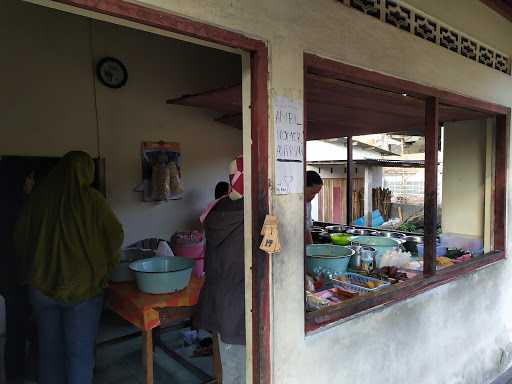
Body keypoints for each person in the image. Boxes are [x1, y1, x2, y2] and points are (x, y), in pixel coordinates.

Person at [14, 151, 124, 384]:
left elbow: (20, 237)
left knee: (49, 352)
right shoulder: (92, 200)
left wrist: (32, 269)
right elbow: (115, 235)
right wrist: (104, 264)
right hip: (82, 290)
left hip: (41, 287)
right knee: (79, 356)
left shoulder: (38, 198)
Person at [195, 157, 245, 384]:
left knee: (231, 369)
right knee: (245, 371)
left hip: (221, 301)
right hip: (244, 304)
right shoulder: (253, 212)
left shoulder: (216, 208)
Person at [0, 163, 36, 383]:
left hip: (7, 277)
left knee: (17, 328)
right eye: (30, 178)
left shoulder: (6, 203)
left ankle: (16, 372)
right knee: (19, 328)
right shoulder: (21, 208)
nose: (33, 183)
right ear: (22, 181)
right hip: (18, 277)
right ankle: (18, 374)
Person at [305, 170, 323, 245]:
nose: (313, 197)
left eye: (316, 194)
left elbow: (307, 229)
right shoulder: (294, 204)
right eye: (312, 193)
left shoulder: (308, 204)